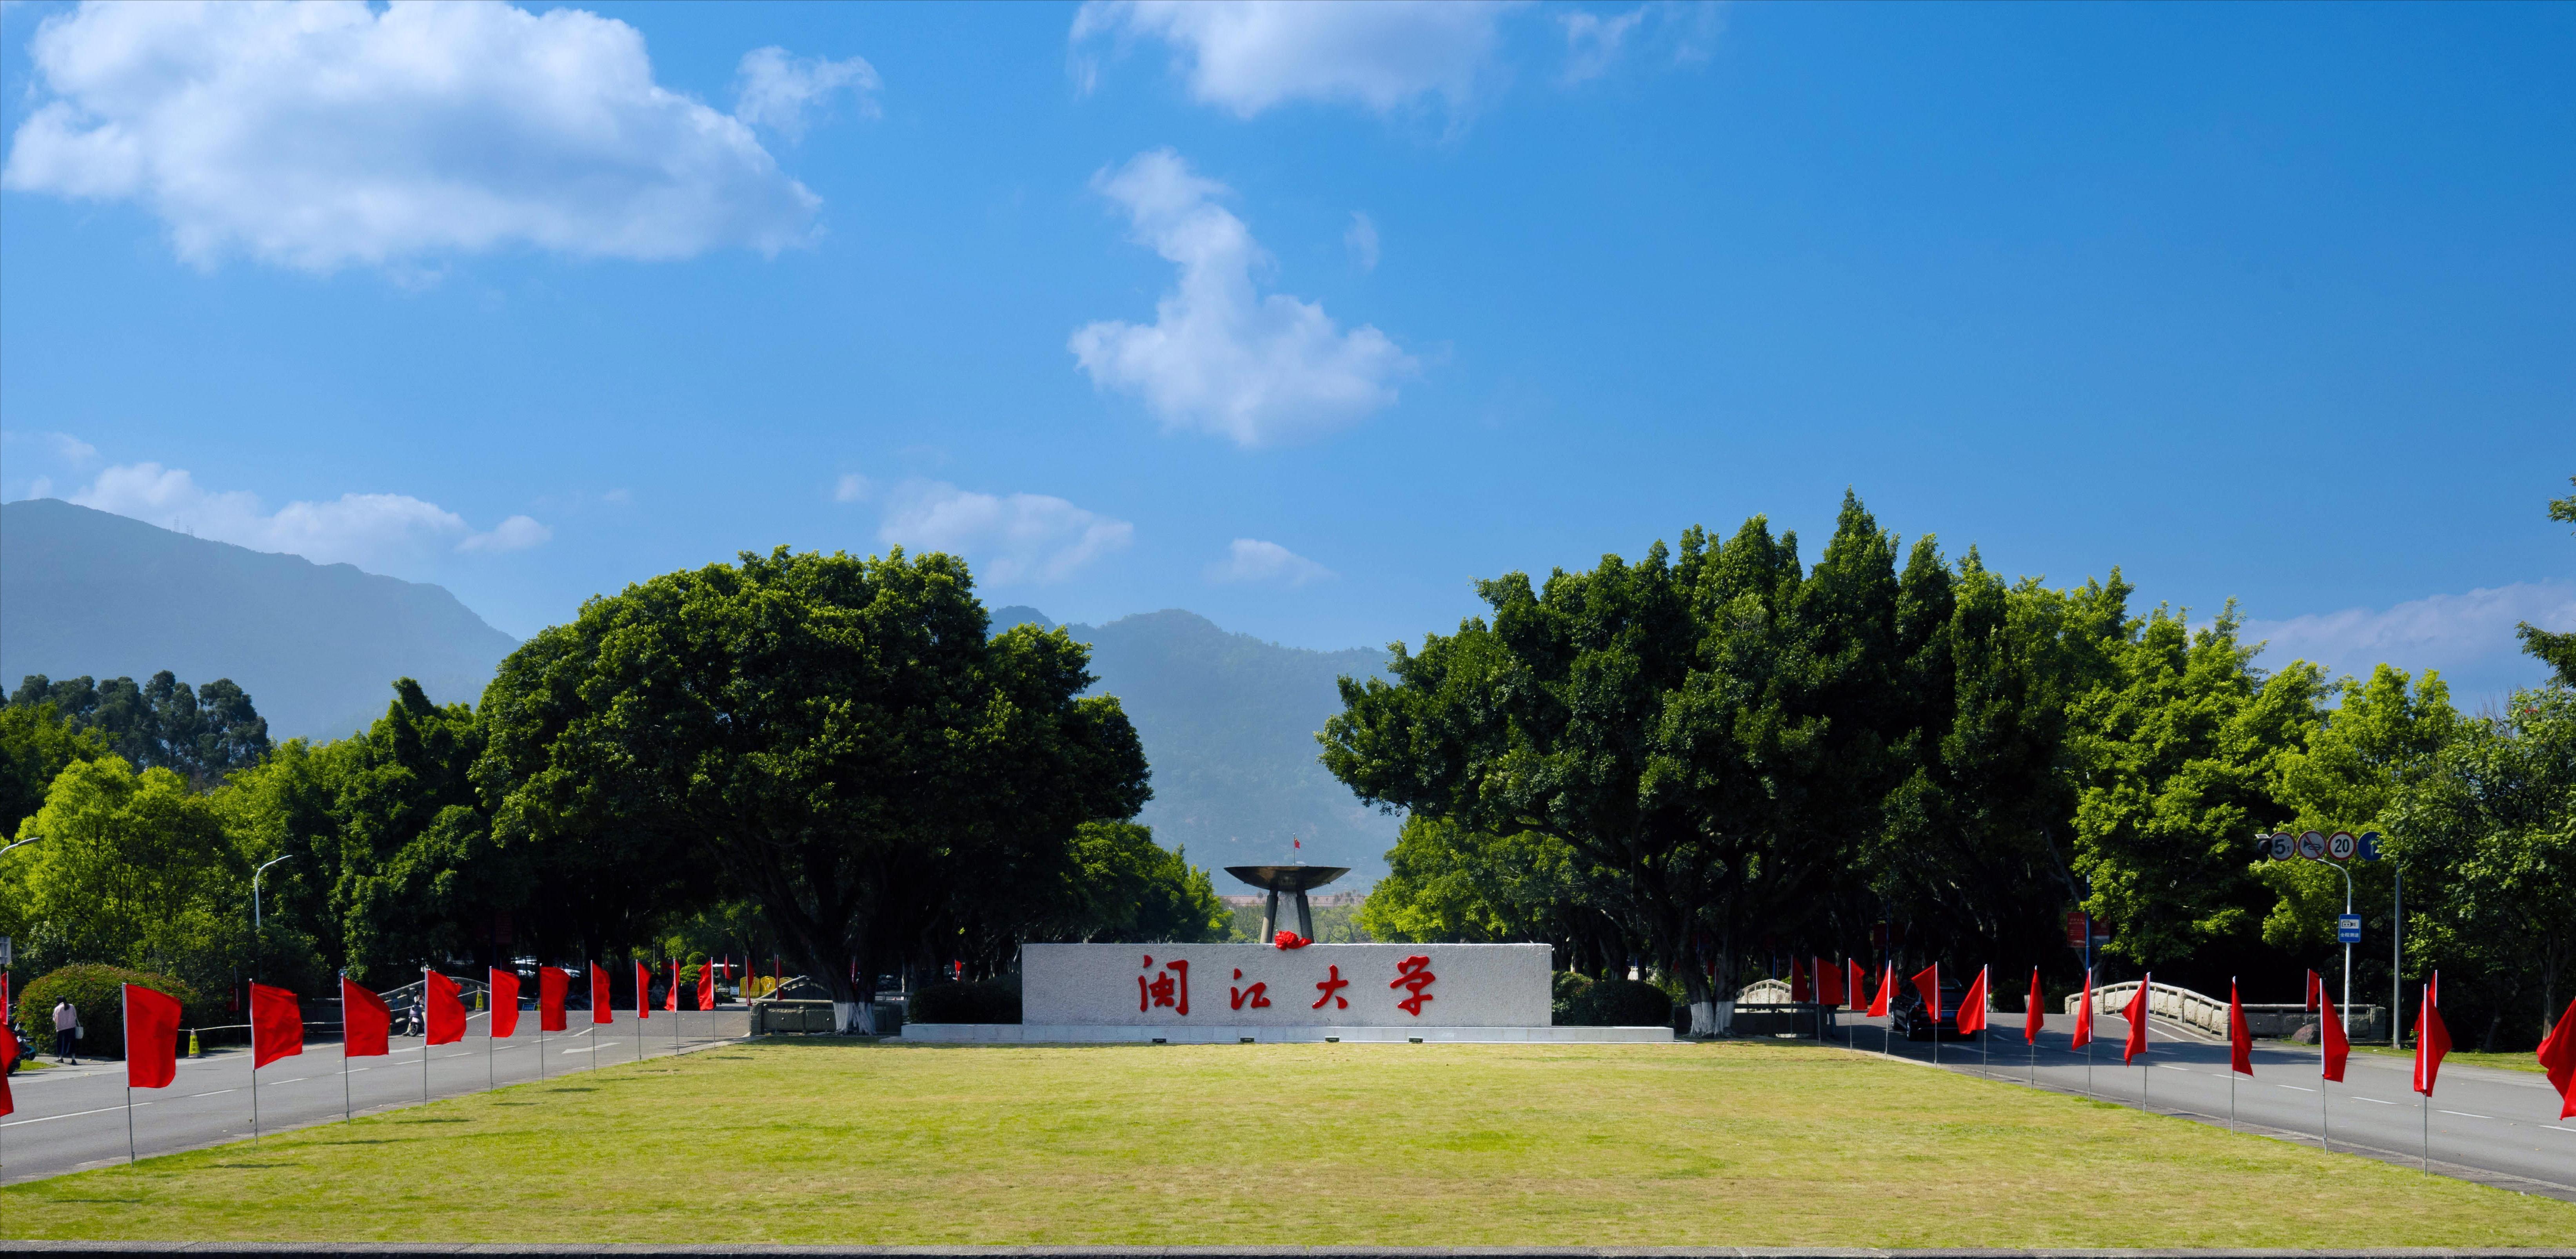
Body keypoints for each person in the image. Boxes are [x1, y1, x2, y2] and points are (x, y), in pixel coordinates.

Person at [53, 997, 79, 1065]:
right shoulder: (72, 1006)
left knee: (61, 1044)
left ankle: (61, 1058)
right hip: (71, 1027)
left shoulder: (57, 1009)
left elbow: (55, 1019)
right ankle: (73, 1059)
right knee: (72, 1043)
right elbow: (75, 1016)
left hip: (61, 1029)